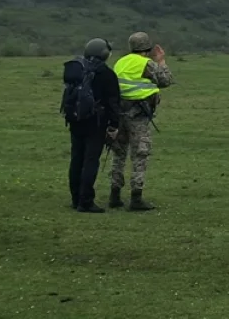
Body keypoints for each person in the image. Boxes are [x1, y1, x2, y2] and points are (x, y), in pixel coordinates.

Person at [108, 31, 173, 210]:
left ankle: (114, 195)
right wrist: (161, 61)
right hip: (138, 116)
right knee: (140, 155)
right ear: (147, 48)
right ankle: (136, 197)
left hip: (119, 115)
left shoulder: (120, 62)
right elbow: (166, 81)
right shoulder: (147, 64)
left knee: (119, 155)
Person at [63, 38, 121, 213]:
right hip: (96, 122)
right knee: (90, 160)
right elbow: (113, 102)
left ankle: (75, 198)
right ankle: (86, 201)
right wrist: (114, 125)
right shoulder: (106, 73)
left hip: (75, 120)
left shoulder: (77, 68)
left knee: (76, 159)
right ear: (104, 53)